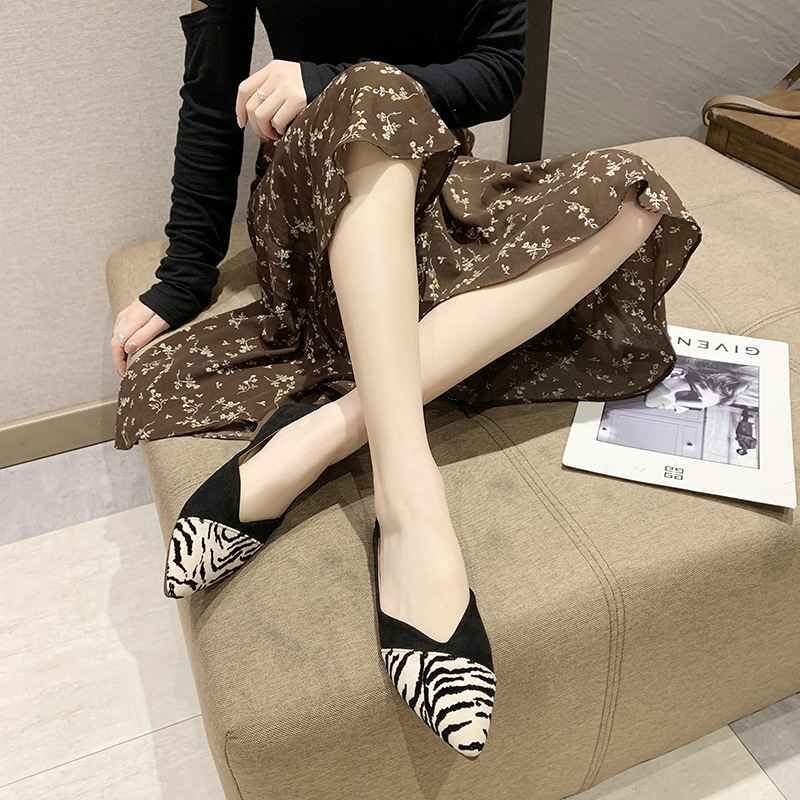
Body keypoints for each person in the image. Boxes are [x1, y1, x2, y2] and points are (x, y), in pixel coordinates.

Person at [109, 0, 702, 757]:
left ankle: (320, 433)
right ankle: (410, 510)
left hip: (435, 194)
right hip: (312, 205)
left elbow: (500, 71)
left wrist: (325, 76)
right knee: (369, 92)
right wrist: (183, 276)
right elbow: (209, 96)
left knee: (633, 194)